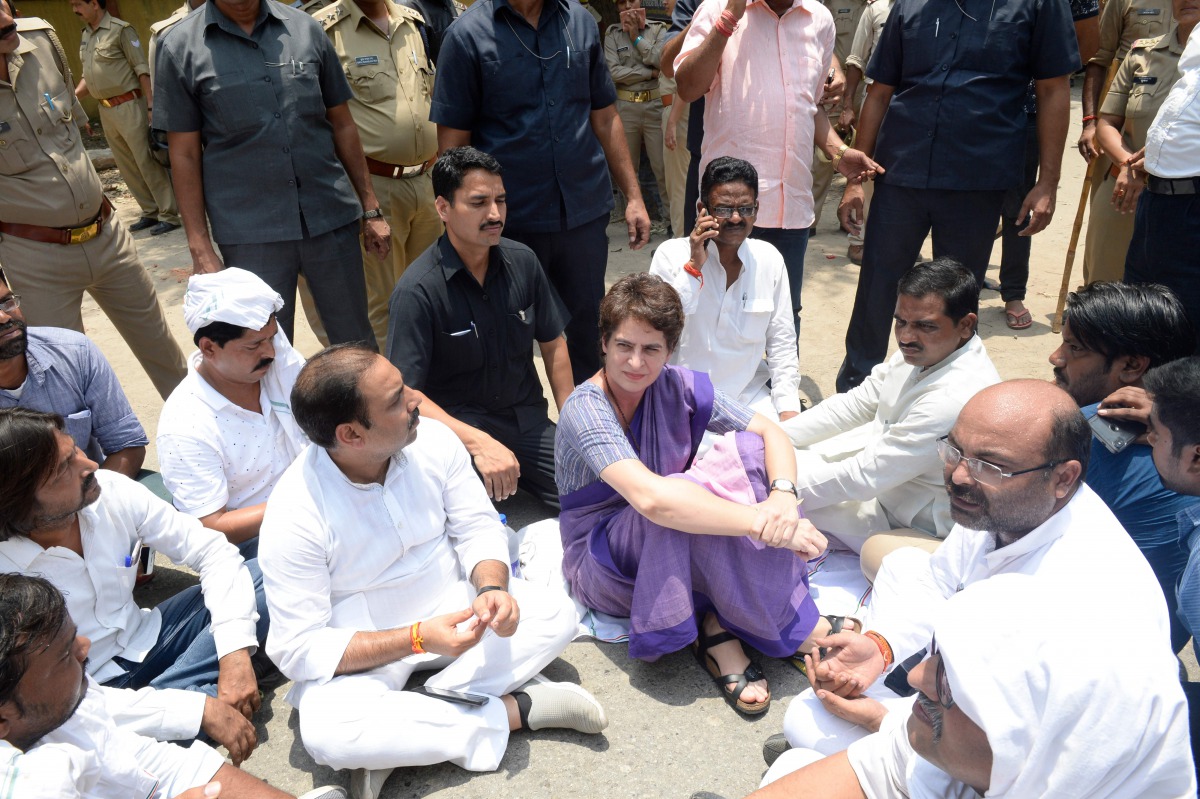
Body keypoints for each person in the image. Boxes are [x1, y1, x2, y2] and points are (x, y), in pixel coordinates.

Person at [259, 344, 607, 799]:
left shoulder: (434, 440)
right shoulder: (294, 512)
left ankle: (404, 736)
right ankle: (512, 710)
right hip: (369, 645)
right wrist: (417, 638)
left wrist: (491, 588)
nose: (415, 401)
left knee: (557, 614)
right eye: (395, 401)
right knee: (328, 732)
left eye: (404, 387)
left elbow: (477, 527)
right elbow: (298, 648)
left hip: (459, 609)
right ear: (351, 435)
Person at [775, 380, 1171, 758]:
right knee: (903, 565)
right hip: (955, 694)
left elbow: (1025, 751)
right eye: (955, 451)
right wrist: (881, 647)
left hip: (1019, 764)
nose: (960, 476)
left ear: (1064, 478)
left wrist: (887, 722)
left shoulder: (1081, 599)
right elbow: (942, 582)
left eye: (991, 466)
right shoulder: (1008, 507)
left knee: (803, 731)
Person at [555, 273, 830, 718]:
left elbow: (769, 431)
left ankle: (716, 620)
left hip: (670, 525)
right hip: (605, 561)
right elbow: (651, 501)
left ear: (671, 350)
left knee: (747, 453)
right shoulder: (586, 408)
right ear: (603, 342)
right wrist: (769, 526)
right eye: (624, 346)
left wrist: (782, 499)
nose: (636, 363)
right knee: (680, 496)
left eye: (652, 349)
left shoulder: (677, 384)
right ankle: (771, 619)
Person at [752, 575, 1195, 799]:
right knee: (797, 761)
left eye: (954, 681)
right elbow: (882, 767)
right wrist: (877, 717)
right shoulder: (980, 745)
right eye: (937, 656)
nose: (914, 677)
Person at [833, 0, 1080, 391]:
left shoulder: (1036, 5)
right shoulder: (909, 6)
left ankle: (940, 401)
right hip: (902, 173)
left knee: (957, 300)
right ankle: (855, 388)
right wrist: (854, 181)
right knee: (877, 287)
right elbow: (880, 92)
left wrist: (1047, 181)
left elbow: (1053, 90)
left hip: (977, 179)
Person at [0, 408, 269, 764]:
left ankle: (200, 698)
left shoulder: (109, 490)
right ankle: (199, 703)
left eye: (76, 450)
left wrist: (234, 656)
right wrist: (194, 709)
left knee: (267, 570)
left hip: (150, 635)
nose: (89, 465)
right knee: (64, 739)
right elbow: (45, 700)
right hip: (85, 691)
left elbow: (212, 551)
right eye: (64, 468)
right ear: (18, 501)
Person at [432, 0, 652, 386]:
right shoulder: (467, 35)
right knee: (509, 334)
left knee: (590, 328)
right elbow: (453, 143)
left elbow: (605, 116)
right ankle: (523, 433)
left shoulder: (580, 23)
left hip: (581, 213)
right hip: (508, 223)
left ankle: (595, 425)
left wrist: (633, 197)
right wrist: (461, 222)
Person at [153, 0, 386, 347]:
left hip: (329, 218)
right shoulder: (179, 46)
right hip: (251, 233)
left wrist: (370, 207)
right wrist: (199, 245)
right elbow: (184, 153)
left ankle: (360, 403)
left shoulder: (305, 28)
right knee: (265, 347)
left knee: (356, 341)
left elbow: (342, 123)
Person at [0, 574, 347, 799]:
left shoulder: (63, 699)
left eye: (72, 637)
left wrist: (198, 709)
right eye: (64, 656)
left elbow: (112, 726)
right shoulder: (30, 785)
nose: (85, 647)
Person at [0, 3, 187, 400]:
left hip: (107, 235)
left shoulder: (40, 40)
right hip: (34, 258)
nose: (6, 22)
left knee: (166, 355)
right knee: (65, 380)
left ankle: (216, 447)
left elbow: (65, 111)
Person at [675, 0, 879, 331]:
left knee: (783, 317)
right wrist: (730, 18)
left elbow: (809, 108)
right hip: (729, 211)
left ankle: (779, 385)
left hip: (792, 208)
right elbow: (687, 87)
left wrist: (839, 152)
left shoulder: (819, 20)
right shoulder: (718, 9)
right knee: (718, 314)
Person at [782, 259, 1000, 567]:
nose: (906, 337)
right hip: (881, 482)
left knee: (764, 491)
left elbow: (864, 477)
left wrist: (777, 490)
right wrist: (773, 437)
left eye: (925, 325)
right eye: (900, 322)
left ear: (965, 325)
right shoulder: (927, 349)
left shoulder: (955, 396)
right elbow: (856, 403)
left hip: (906, 523)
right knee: (774, 459)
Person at [387, 147, 571, 509]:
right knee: (453, 515)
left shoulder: (523, 261)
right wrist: (478, 443)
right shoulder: (417, 291)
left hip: (527, 421)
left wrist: (571, 421)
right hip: (457, 432)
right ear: (443, 208)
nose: (494, 214)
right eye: (478, 202)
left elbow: (553, 344)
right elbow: (407, 393)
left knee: (594, 490)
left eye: (500, 201)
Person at [1049, 281, 1196, 650]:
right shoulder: (1189, 438)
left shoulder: (1081, 430)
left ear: (1132, 365)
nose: (1056, 357)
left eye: (1075, 348)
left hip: (1078, 647)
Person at [312, 0, 443, 353]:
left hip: (427, 180)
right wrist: (366, 204)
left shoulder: (412, 22)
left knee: (433, 290)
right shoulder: (325, 31)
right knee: (383, 302)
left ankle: (431, 380)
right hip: (375, 187)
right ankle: (390, 390)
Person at [157, 269, 308, 558]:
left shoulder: (279, 367)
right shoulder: (185, 425)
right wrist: (306, 502)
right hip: (252, 547)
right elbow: (211, 526)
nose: (271, 353)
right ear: (209, 348)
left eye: (271, 339)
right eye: (254, 345)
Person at [649, 156, 801, 426]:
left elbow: (782, 344)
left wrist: (789, 413)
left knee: (793, 458)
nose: (735, 218)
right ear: (701, 209)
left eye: (745, 208)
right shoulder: (671, 255)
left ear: (756, 209)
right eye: (722, 209)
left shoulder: (769, 259)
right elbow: (655, 329)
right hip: (682, 403)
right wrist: (694, 266)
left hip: (748, 400)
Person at [995, 1, 1098, 329]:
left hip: (1029, 107)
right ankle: (959, 287)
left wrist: (1048, 72)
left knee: (1019, 204)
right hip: (976, 106)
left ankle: (1013, 291)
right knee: (965, 200)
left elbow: (1088, 41)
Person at [0, 266, 148, 478]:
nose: (4, 317)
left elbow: (126, 445)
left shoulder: (74, 353)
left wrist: (90, 507)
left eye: (7, 302)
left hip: (90, 496)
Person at [1092, 0, 1192, 288]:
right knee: (1105, 292)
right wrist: (1128, 164)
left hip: (1186, 200)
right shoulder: (1142, 53)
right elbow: (1107, 122)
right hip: (1124, 190)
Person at [1077, 0, 1173, 285]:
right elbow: (1099, 59)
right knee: (1108, 237)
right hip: (1122, 139)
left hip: (1181, 162)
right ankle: (1099, 307)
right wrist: (1091, 121)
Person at [70, 0, 180, 236]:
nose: (74, 10)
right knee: (126, 165)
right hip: (106, 110)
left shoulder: (121, 30)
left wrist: (151, 107)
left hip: (129, 104)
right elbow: (88, 77)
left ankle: (168, 214)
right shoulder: (87, 35)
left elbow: (142, 69)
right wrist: (70, 99)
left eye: (78, 4)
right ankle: (150, 211)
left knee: (145, 160)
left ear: (94, 4)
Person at [1123, 14, 1200, 342]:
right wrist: (1156, 153)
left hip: (1190, 206)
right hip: (1157, 200)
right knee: (1138, 309)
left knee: (1182, 322)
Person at [605, 0, 670, 227]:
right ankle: (635, 219)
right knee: (627, 169)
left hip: (655, 106)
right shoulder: (612, 34)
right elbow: (613, 72)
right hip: (626, 108)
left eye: (631, 0)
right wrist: (648, 74)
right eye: (622, 2)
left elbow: (663, 61)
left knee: (662, 167)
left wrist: (635, 37)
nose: (627, 6)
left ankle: (670, 220)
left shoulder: (658, 30)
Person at [839, 0, 891, 264]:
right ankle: (858, 241)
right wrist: (848, 105)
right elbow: (856, 61)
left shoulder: (930, 9)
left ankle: (898, 240)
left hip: (915, 104)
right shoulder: (876, 9)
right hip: (875, 101)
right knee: (866, 171)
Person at [809, 0, 866, 236]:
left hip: (872, 90)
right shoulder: (830, 4)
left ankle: (852, 217)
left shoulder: (885, 6)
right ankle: (809, 220)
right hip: (835, 87)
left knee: (865, 156)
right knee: (824, 158)